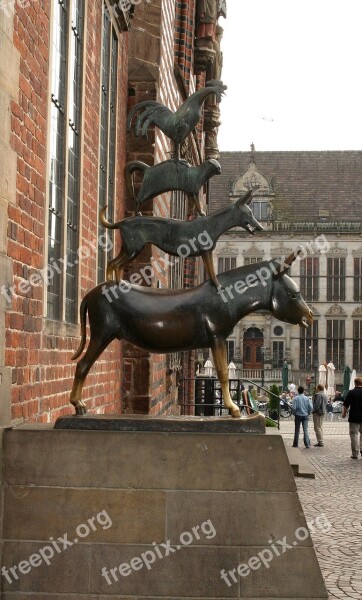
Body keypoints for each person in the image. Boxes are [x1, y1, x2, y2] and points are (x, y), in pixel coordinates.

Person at [342, 377, 362, 459]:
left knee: (354, 435)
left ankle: (355, 453)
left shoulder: (351, 392)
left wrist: (344, 413)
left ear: (355, 383)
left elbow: (346, 404)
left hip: (354, 417)